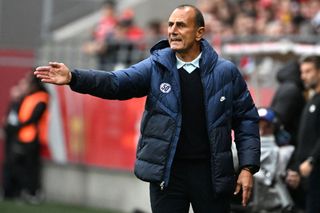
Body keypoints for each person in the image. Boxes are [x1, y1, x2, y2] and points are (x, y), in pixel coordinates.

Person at [35, 5, 260, 213]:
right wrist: (74, 77)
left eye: (180, 25)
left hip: (211, 174)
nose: (172, 30)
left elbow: (246, 120)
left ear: (199, 32)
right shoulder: (156, 66)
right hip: (168, 175)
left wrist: (247, 167)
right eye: (170, 25)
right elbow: (116, 83)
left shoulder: (226, 72)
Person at [2, 73, 50, 203]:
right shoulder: (29, 97)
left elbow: (34, 118)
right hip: (23, 136)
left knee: (31, 167)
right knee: (18, 166)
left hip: (33, 137)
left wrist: (16, 126)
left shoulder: (42, 97)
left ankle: (34, 193)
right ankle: (19, 191)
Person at [287, 56, 320, 213]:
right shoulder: (312, 100)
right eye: (302, 72)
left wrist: (312, 160)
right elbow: (305, 140)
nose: (303, 76)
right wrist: (296, 169)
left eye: (308, 71)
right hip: (308, 176)